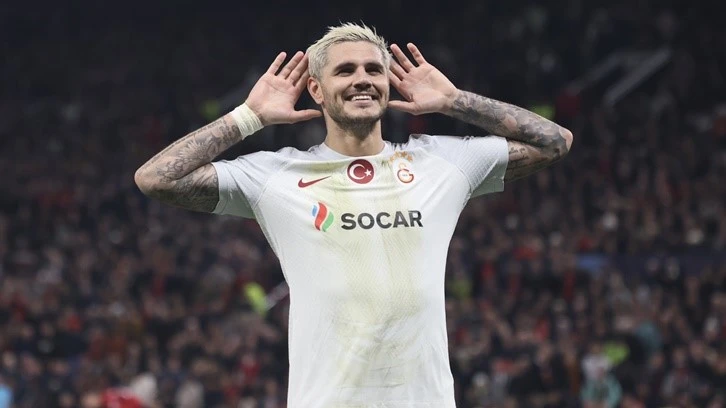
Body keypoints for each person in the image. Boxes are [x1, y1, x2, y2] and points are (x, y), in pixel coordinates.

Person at [134, 22, 573, 408]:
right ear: (316, 90)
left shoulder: (440, 162)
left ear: (388, 84)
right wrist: (249, 117)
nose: (362, 79)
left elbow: (555, 142)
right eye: (345, 71)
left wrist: (455, 101)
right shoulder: (277, 175)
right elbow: (157, 179)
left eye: (373, 70)